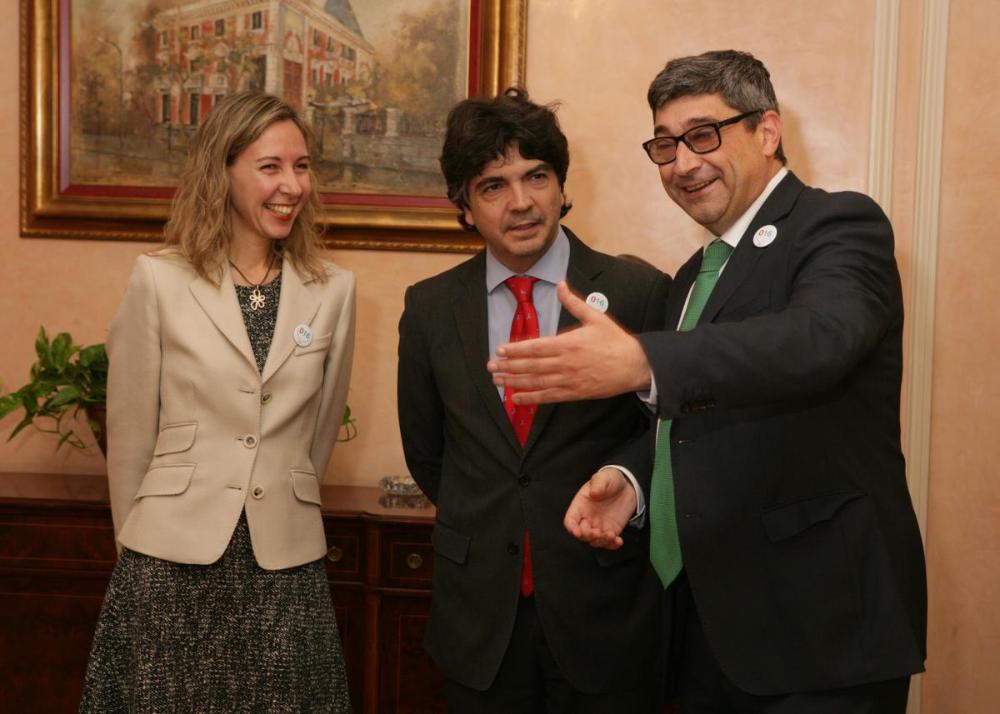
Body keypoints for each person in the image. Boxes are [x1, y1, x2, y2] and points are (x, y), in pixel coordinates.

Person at [488, 51, 927, 713]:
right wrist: (632, 479)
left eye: (703, 135)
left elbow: (820, 340)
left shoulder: (838, 226)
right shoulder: (693, 276)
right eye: (665, 145)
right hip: (707, 632)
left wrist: (643, 361)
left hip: (819, 632)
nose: (683, 163)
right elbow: (698, 422)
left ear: (767, 131)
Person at [397, 88, 672, 713]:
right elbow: (429, 453)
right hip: (478, 620)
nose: (521, 203)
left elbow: (669, 434)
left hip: (604, 609)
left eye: (536, 176)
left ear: (560, 183)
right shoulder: (431, 307)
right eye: (493, 186)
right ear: (464, 206)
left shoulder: (638, 291)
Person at [80, 91, 355, 713]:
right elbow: (128, 434)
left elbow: (315, 439)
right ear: (222, 171)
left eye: (302, 166)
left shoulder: (335, 292)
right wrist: (137, 544)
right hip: (170, 561)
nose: (292, 185)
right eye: (270, 167)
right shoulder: (160, 279)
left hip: (284, 562)